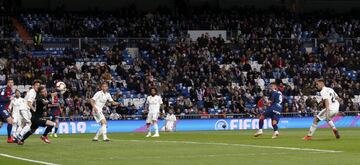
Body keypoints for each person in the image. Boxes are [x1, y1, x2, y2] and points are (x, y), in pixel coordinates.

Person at [0, 79, 14, 143]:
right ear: (7, 83)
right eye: (9, 82)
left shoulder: (11, 90)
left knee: (0, 124)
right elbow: (1, 99)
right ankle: (9, 138)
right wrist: (9, 99)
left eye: (12, 82)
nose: (11, 83)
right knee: (10, 120)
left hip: (4, 108)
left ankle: (9, 138)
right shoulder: (4, 89)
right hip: (1, 108)